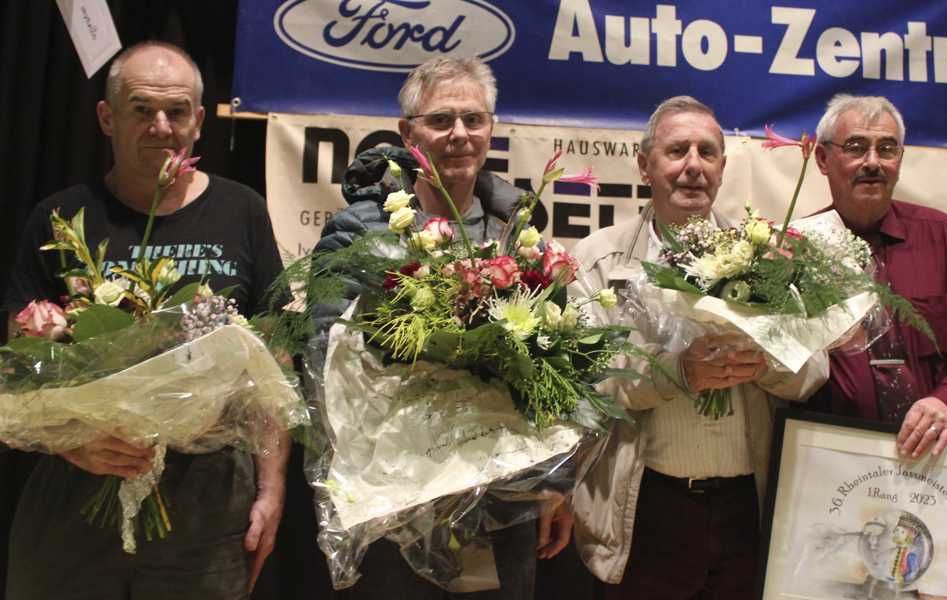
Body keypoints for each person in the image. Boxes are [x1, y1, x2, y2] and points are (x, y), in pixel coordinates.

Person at [3, 41, 288, 599]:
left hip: (209, 505)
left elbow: (274, 363)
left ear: (200, 123)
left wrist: (271, 489)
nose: (161, 126)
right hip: (79, 489)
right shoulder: (60, 217)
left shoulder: (243, 211)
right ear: (107, 118)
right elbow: (20, 360)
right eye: (141, 109)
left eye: (177, 111)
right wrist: (71, 442)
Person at [311, 55, 571, 599]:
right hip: (397, 502)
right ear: (409, 133)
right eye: (441, 120)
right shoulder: (355, 234)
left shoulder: (520, 238)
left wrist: (552, 485)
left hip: (505, 499)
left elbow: (556, 367)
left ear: (491, 130)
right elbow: (322, 362)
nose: (460, 134)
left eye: (473, 120)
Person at [569, 96, 827, 599]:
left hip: (742, 508)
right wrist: (678, 373)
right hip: (645, 508)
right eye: (677, 151)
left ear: (723, 168)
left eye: (707, 153)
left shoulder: (762, 252)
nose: (693, 166)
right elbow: (587, 383)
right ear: (645, 165)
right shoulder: (599, 259)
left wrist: (765, 359)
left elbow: (813, 370)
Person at [807, 94, 947, 458]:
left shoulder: (945, 238)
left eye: (887, 149)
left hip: (935, 457)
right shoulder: (797, 248)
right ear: (823, 159)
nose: (873, 162)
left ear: (900, 159)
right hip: (830, 458)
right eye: (855, 147)